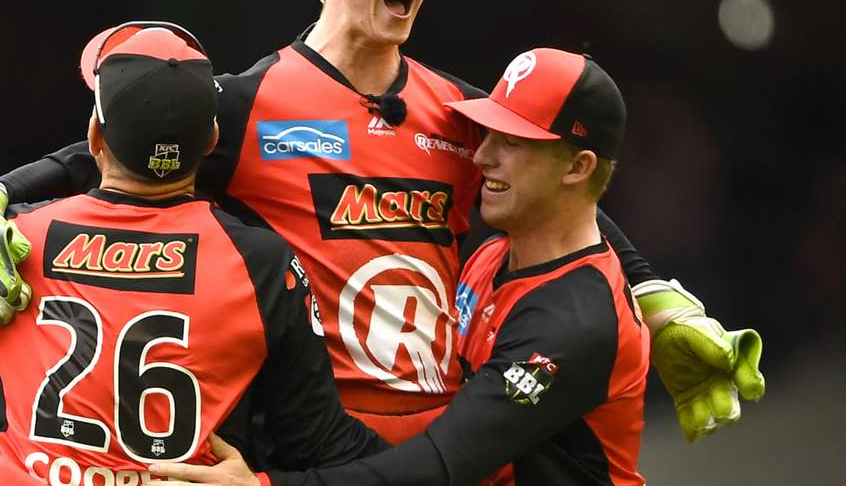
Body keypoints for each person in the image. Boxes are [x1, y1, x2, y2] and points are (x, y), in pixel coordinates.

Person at [0, 0, 763, 448]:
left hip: (445, 449)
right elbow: (105, 148)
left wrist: (655, 295)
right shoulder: (249, 102)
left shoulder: (461, 112)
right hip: (311, 448)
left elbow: (565, 199)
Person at [146, 47, 650, 486]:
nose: (481, 156)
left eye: (512, 143)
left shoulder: (576, 322)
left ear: (578, 167)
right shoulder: (495, 256)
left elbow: (441, 465)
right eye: (489, 133)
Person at [0, 23, 386, 485]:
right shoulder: (260, 263)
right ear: (212, 140)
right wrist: (435, 455)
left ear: (94, 136)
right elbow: (317, 444)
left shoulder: (11, 237)